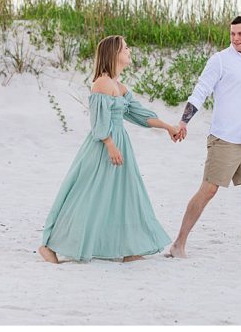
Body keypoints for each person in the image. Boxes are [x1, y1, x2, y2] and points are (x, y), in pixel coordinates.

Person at [38, 35, 178, 263]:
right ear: (114, 53)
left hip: (120, 144)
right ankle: (49, 245)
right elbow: (98, 121)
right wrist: (110, 145)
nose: (129, 50)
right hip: (104, 146)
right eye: (125, 48)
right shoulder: (102, 83)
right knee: (87, 194)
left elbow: (139, 115)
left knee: (126, 194)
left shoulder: (119, 87)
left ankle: (130, 248)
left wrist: (167, 127)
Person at [167, 15, 241, 260]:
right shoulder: (220, 61)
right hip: (224, 138)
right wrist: (183, 121)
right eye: (232, 34)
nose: (235, 39)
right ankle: (178, 244)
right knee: (208, 190)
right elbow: (200, 90)